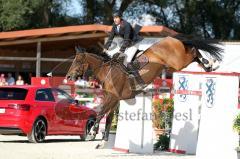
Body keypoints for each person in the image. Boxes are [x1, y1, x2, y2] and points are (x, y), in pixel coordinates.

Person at [103, 11, 145, 89]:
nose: (114, 20)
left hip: (133, 42)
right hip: (127, 43)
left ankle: (141, 83)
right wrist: (106, 47)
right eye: (114, 18)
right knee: (120, 61)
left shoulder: (126, 25)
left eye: (116, 18)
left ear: (120, 18)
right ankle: (129, 80)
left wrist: (121, 51)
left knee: (128, 61)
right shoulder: (114, 25)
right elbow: (111, 37)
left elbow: (127, 40)